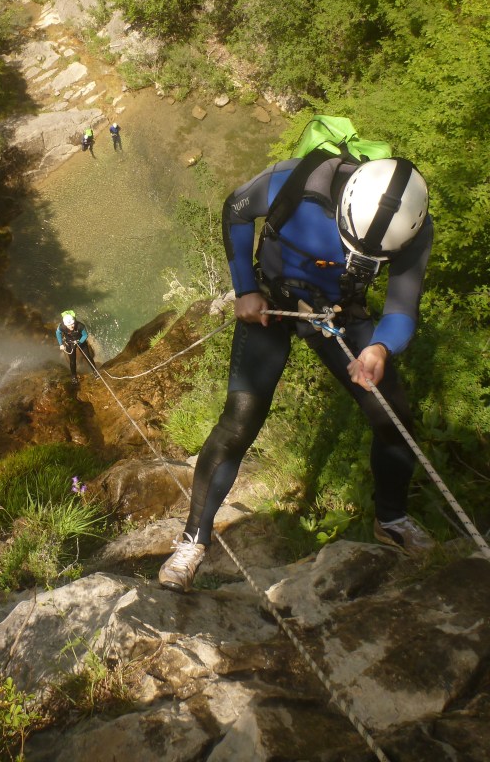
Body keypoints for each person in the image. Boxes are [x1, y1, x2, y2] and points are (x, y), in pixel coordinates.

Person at [159, 154, 434, 593]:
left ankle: (392, 520)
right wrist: (245, 287)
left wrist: (379, 348)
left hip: (336, 312)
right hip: (270, 302)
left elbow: (402, 308)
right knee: (240, 420)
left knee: (393, 417)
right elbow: (235, 208)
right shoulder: (300, 183)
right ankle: (193, 540)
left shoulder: (412, 228)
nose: (355, 257)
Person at [55, 310, 94, 385]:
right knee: (72, 361)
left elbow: (85, 335)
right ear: (65, 325)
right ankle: (74, 376)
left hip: (80, 341)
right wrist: (61, 344)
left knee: (88, 357)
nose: (71, 326)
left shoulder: (80, 326)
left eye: (72, 324)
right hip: (69, 343)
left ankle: (95, 371)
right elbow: (58, 333)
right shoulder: (62, 326)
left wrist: (79, 342)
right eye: (69, 325)